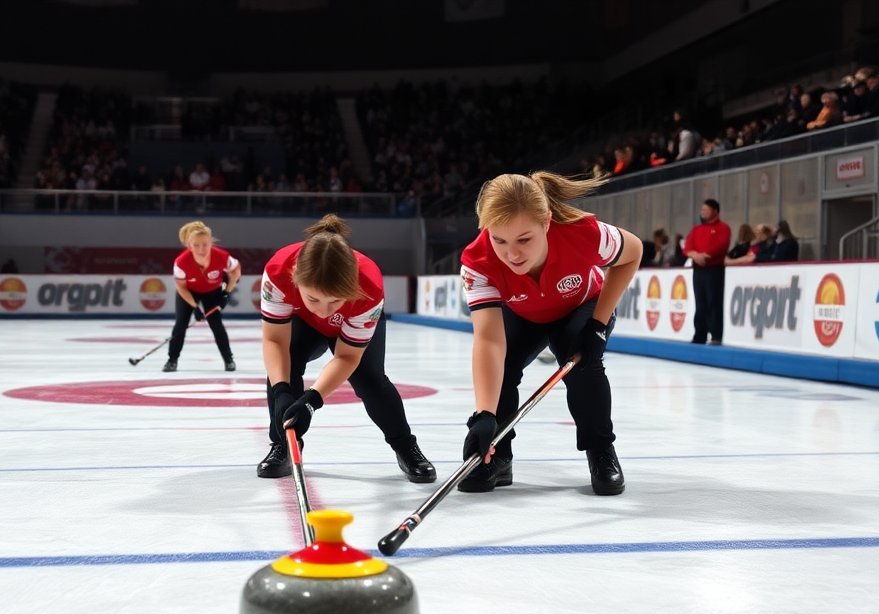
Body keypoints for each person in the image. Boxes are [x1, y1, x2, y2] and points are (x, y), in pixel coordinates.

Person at [457, 171, 643, 496]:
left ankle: (600, 450)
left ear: (546, 223)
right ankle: (497, 456)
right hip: (523, 313)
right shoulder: (477, 260)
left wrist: (598, 325)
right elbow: (488, 340)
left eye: (524, 239)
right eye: (499, 240)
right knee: (503, 368)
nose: (512, 254)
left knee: (582, 364)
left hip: (581, 306)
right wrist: (484, 414)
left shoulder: (583, 233)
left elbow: (633, 253)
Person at [256, 214, 436, 484]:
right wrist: (282, 390)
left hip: (350, 327)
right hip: (302, 323)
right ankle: (283, 444)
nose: (323, 310)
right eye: (313, 298)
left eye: (335, 301)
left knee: (370, 380)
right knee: (285, 366)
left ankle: (405, 446)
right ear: (295, 277)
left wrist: (312, 400)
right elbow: (274, 341)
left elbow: (348, 356)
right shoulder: (279, 271)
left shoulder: (369, 285)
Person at [163, 221, 239, 372]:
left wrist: (226, 292)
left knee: (217, 325)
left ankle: (228, 359)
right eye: (196, 245)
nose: (201, 249)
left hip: (212, 291)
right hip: (188, 293)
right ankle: (172, 360)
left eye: (205, 244)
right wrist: (194, 307)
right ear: (189, 246)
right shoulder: (181, 262)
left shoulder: (222, 257)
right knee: (180, 325)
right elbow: (181, 287)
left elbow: (235, 271)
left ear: (211, 242)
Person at [683, 199, 730, 344]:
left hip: (714, 269)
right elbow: (687, 247)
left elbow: (722, 245)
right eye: (702, 209)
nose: (702, 212)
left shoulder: (723, 228)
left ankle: (716, 335)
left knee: (714, 301)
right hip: (699, 270)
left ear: (715, 210)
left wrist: (705, 255)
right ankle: (700, 334)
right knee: (700, 302)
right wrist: (695, 255)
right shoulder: (697, 229)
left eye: (706, 209)